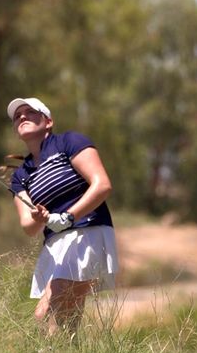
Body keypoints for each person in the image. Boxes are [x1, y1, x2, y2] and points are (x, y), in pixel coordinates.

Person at [7, 96, 118, 336]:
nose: (22, 117)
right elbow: (28, 226)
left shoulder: (69, 142)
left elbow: (102, 185)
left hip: (86, 232)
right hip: (55, 245)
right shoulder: (21, 176)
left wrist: (68, 216)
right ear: (16, 130)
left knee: (49, 315)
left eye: (30, 112)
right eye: (17, 116)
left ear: (48, 122)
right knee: (61, 323)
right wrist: (39, 217)